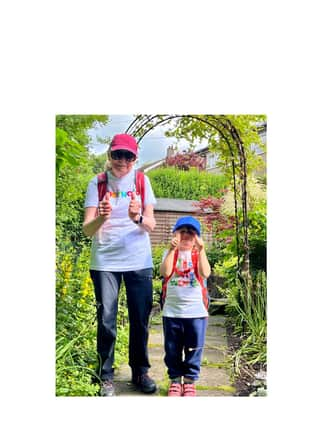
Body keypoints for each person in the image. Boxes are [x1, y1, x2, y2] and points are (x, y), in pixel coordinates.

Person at [83, 133, 157, 397]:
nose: (122, 161)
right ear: (109, 156)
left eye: (128, 156)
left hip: (138, 259)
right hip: (105, 261)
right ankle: (106, 376)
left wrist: (136, 216)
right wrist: (101, 218)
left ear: (135, 158)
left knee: (140, 319)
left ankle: (140, 372)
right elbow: (87, 230)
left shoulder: (142, 180)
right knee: (106, 320)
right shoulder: (98, 182)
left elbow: (151, 224)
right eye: (117, 155)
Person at [159, 216, 211, 397]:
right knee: (172, 348)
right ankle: (175, 379)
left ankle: (189, 380)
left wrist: (202, 249)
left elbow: (205, 273)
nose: (187, 235)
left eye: (191, 232)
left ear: (197, 237)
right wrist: (171, 249)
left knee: (194, 348)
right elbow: (165, 273)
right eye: (182, 231)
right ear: (175, 234)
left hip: (196, 312)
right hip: (172, 311)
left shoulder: (198, 254)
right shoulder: (170, 253)